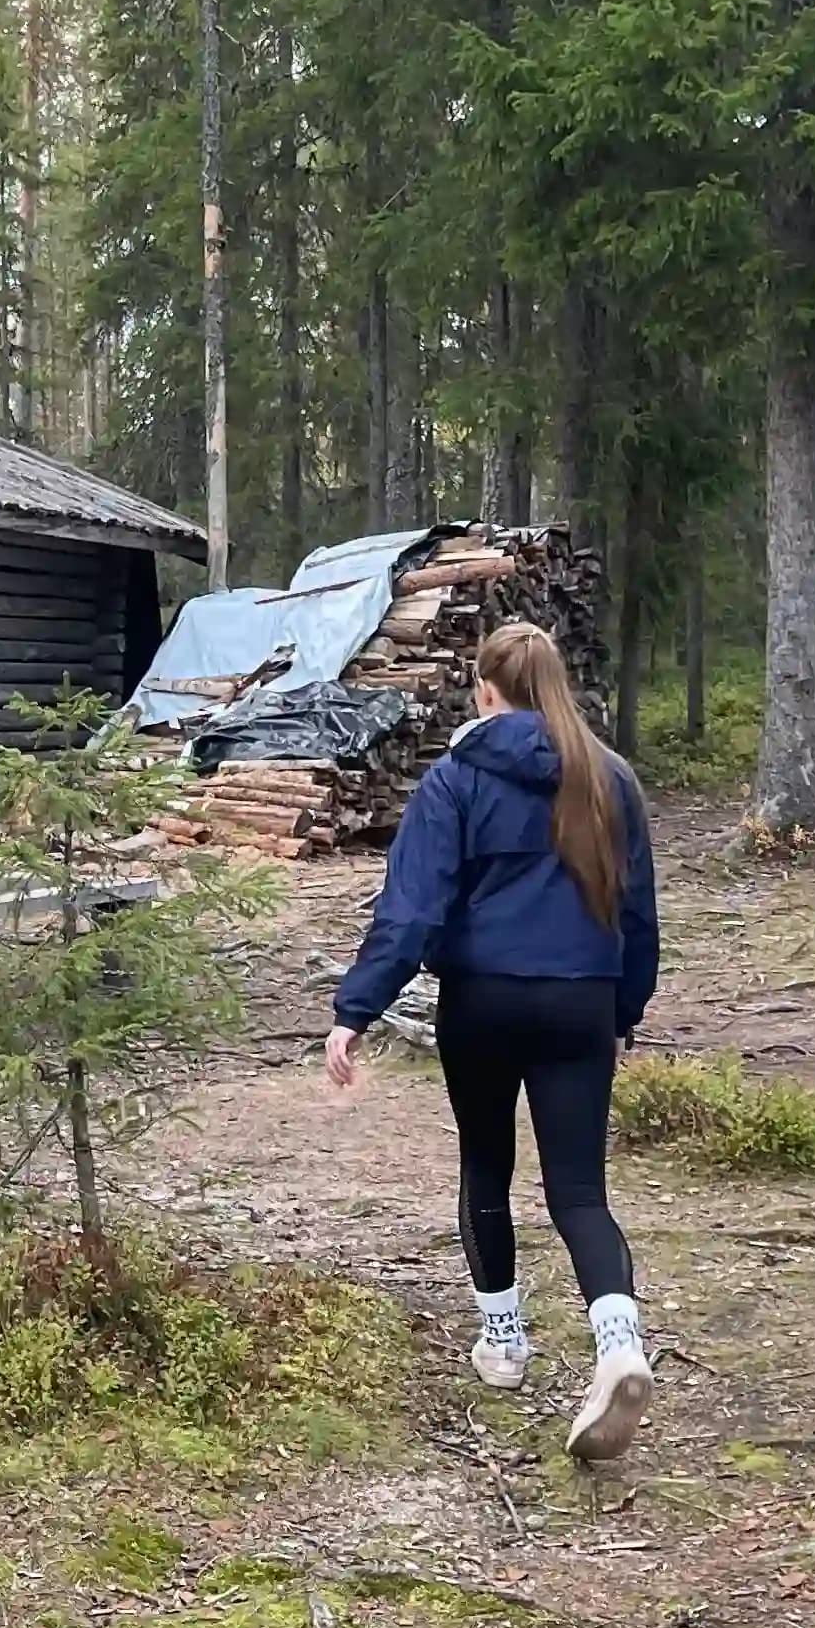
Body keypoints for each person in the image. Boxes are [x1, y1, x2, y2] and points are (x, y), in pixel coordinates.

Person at [322, 619, 660, 1466]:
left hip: (481, 1002)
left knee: (486, 1166)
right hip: (580, 1001)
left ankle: (504, 1344)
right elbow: (640, 914)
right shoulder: (609, 779)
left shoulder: (455, 779)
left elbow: (411, 910)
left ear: (485, 692)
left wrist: (356, 1009)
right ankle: (619, 1342)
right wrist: (625, 1009)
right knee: (579, 1191)